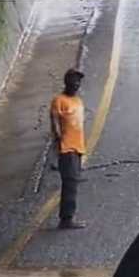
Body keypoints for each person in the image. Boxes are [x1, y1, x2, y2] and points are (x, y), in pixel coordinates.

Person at [50, 68, 88, 229]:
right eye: (73, 81)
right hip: (66, 148)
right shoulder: (59, 100)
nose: (76, 84)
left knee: (73, 181)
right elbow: (54, 121)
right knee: (70, 182)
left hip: (78, 148)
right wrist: (59, 140)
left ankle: (67, 217)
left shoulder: (78, 101)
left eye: (78, 81)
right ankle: (66, 219)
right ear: (66, 82)